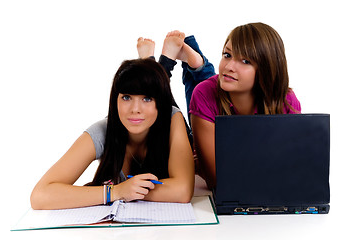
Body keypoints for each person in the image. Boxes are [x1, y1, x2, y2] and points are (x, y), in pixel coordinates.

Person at [143, 24, 301, 189]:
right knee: (161, 104)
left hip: (214, 110)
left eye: (245, 61)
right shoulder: (204, 93)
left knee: (209, 84)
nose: (228, 66)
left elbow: (291, 171)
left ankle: (196, 64)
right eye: (227, 55)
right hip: (200, 126)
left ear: (267, 69)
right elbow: (217, 180)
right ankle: (154, 64)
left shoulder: (287, 101)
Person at [30, 59, 195, 210]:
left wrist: (129, 191)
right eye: (126, 97)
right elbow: (40, 195)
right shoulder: (102, 131)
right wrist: (115, 192)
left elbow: (182, 190)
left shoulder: (172, 117)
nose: (135, 109)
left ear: (161, 102)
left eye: (146, 99)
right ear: (114, 100)